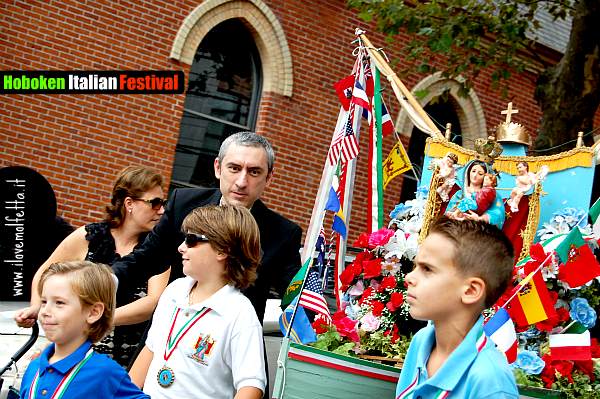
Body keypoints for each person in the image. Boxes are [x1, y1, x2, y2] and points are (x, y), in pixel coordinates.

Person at [110, 132, 302, 324]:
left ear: (268, 178)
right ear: (218, 168)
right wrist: (103, 281)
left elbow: (296, 302)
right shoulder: (182, 204)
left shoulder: (283, 234)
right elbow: (146, 259)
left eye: (254, 172)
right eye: (234, 168)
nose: (242, 182)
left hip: (232, 344)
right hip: (171, 333)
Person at [15, 166, 170, 366]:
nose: (162, 210)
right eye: (154, 203)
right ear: (129, 203)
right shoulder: (89, 237)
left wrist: (100, 318)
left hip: (125, 362)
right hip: (74, 354)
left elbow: (153, 302)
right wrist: (38, 306)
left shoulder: (157, 247)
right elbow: (45, 273)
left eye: (163, 203)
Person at [129, 205, 266, 399]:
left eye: (191, 240)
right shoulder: (174, 291)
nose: (181, 247)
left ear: (222, 250)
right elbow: (150, 350)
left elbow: (251, 385)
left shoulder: (240, 313)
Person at [396, 216, 518, 399]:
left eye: (427, 269)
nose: (409, 278)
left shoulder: (491, 382)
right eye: (415, 266)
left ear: (470, 290)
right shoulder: (421, 342)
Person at [19, 261, 149, 399]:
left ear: (93, 312)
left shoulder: (105, 372)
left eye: (59, 303)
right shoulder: (34, 368)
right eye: (44, 302)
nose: (45, 311)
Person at [446, 160, 505, 228]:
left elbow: (498, 213)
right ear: (468, 172)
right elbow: (448, 217)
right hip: (457, 229)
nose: (475, 175)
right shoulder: (459, 194)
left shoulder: (493, 194)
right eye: (473, 171)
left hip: (477, 231)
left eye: (480, 174)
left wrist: (480, 219)